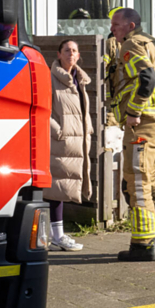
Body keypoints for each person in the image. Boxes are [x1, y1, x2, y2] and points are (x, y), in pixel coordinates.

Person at [110, 7, 155, 261]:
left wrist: (134, 110)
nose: (112, 29)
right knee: (148, 178)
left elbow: (147, 77)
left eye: (116, 25)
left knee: (135, 183)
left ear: (130, 26)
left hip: (141, 123)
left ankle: (143, 245)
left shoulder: (132, 44)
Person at [44, 39, 91, 251]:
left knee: (62, 188)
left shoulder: (79, 79)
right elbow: (43, 109)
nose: (70, 54)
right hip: (59, 141)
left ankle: (56, 236)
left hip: (77, 141)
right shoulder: (50, 78)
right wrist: (58, 131)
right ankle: (57, 236)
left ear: (78, 56)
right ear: (59, 54)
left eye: (74, 51)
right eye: (66, 50)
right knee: (57, 188)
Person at [103, 6, 124, 128]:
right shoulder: (140, 43)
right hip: (131, 99)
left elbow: (101, 68)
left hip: (115, 98)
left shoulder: (111, 43)